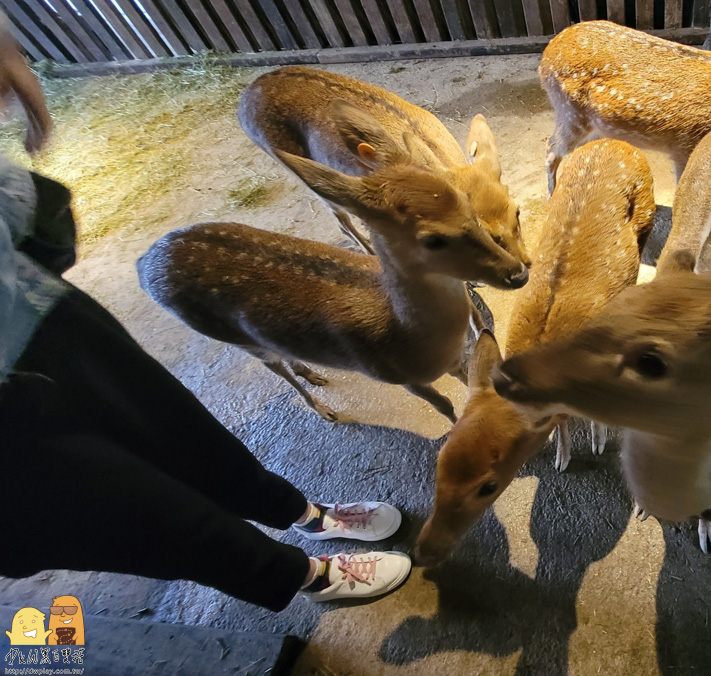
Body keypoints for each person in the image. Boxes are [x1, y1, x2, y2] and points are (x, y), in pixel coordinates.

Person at [0, 11, 411, 611]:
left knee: (177, 429)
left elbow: (43, 230)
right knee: (128, 506)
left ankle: (303, 514)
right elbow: (41, 222)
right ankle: (305, 576)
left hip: (40, 323)